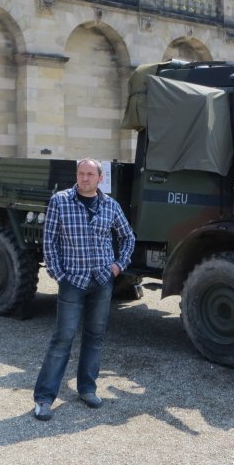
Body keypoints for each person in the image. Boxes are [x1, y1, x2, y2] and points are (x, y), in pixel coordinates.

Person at [33, 158, 135, 421]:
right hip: (73, 282)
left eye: (90, 174)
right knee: (62, 339)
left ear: (100, 178)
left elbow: (127, 237)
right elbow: (50, 241)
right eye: (81, 173)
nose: (85, 178)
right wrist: (59, 274)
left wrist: (117, 267)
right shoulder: (60, 201)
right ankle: (44, 399)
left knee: (95, 337)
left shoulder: (111, 205)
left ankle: (87, 389)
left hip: (102, 281)